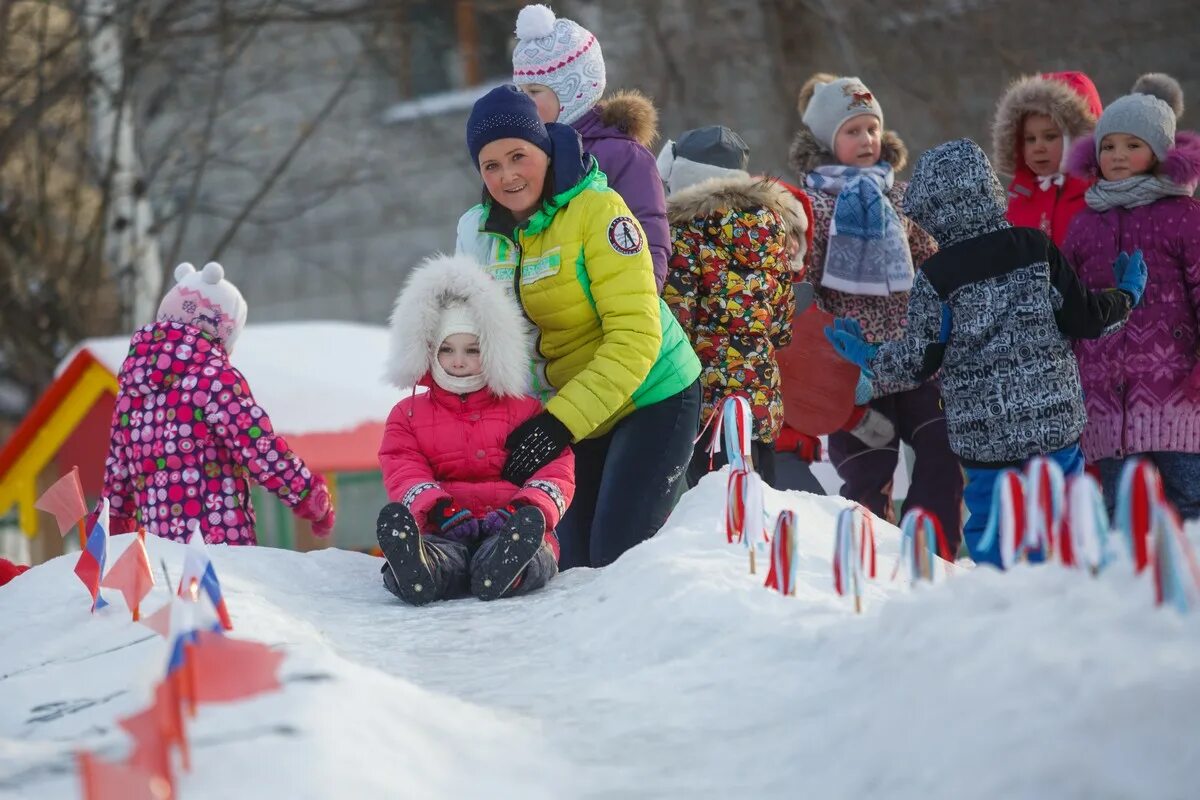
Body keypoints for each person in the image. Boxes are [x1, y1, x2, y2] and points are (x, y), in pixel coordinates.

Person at [825, 139, 1139, 567]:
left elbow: (920, 359)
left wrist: (868, 355)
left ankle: (1002, 604)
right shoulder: (1034, 248)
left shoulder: (937, 276)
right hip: (1053, 426)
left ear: (931, 211)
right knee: (1067, 519)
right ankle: (1076, 598)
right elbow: (1085, 319)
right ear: (988, 188)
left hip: (984, 437)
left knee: (997, 528)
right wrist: (1126, 294)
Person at [456, 85, 701, 570]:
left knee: (620, 557)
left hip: (651, 394)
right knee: (572, 564)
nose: (507, 176)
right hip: (575, 415)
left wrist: (557, 423)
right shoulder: (487, 235)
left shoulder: (598, 211)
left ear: (544, 148)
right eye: (491, 165)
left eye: (517, 156)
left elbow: (636, 335)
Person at [787, 72, 962, 542]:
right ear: (827, 141)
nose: (866, 140)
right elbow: (807, 284)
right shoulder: (815, 207)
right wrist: (824, 356)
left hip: (917, 362)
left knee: (944, 452)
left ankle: (931, 549)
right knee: (868, 478)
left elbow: (934, 265)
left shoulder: (903, 197)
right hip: (854, 375)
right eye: (852, 131)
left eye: (871, 128)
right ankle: (875, 564)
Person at [376, 254, 572, 604]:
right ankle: (418, 570)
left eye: (473, 349)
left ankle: (506, 567)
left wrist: (526, 508)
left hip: (509, 524)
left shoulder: (523, 409)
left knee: (535, 554)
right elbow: (402, 465)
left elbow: (556, 468)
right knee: (440, 556)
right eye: (447, 349)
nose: (458, 360)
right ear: (428, 351)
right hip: (444, 529)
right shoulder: (407, 414)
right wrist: (436, 508)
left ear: (493, 350)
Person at [101, 262, 335, 545]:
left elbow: (118, 474)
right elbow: (258, 446)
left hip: (160, 553)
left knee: (174, 590)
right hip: (220, 545)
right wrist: (308, 494)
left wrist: (110, 529)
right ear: (220, 330)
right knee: (222, 592)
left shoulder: (131, 391)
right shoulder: (214, 379)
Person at [1062, 73, 1200, 518]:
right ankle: (1133, 586)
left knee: (1192, 497)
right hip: (1103, 398)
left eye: (1132, 145)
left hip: (1178, 394)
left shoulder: (1184, 216)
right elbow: (1067, 303)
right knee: (1124, 511)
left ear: (1159, 153)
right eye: (1108, 146)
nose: (1117, 155)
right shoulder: (1084, 224)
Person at [657, 125, 809, 487]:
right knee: (758, 503)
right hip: (760, 400)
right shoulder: (772, 227)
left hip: (706, 406)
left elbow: (676, 321)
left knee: (714, 508)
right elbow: (782, 327)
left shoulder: (684, 233)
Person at [510, 3, 670, 293]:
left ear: (571, 90)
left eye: (534, 92)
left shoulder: (621, 155)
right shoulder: (531, 156)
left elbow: (649, 233)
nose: (524, 102)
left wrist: (639, 301)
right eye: (520, 92)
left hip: (609, 305)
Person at [991, 71, 1103, 245]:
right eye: (1030, 139)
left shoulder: (1098, 196)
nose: (1038, 147)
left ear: (1077, 138)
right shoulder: (1021, 196)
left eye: (1050, 137)